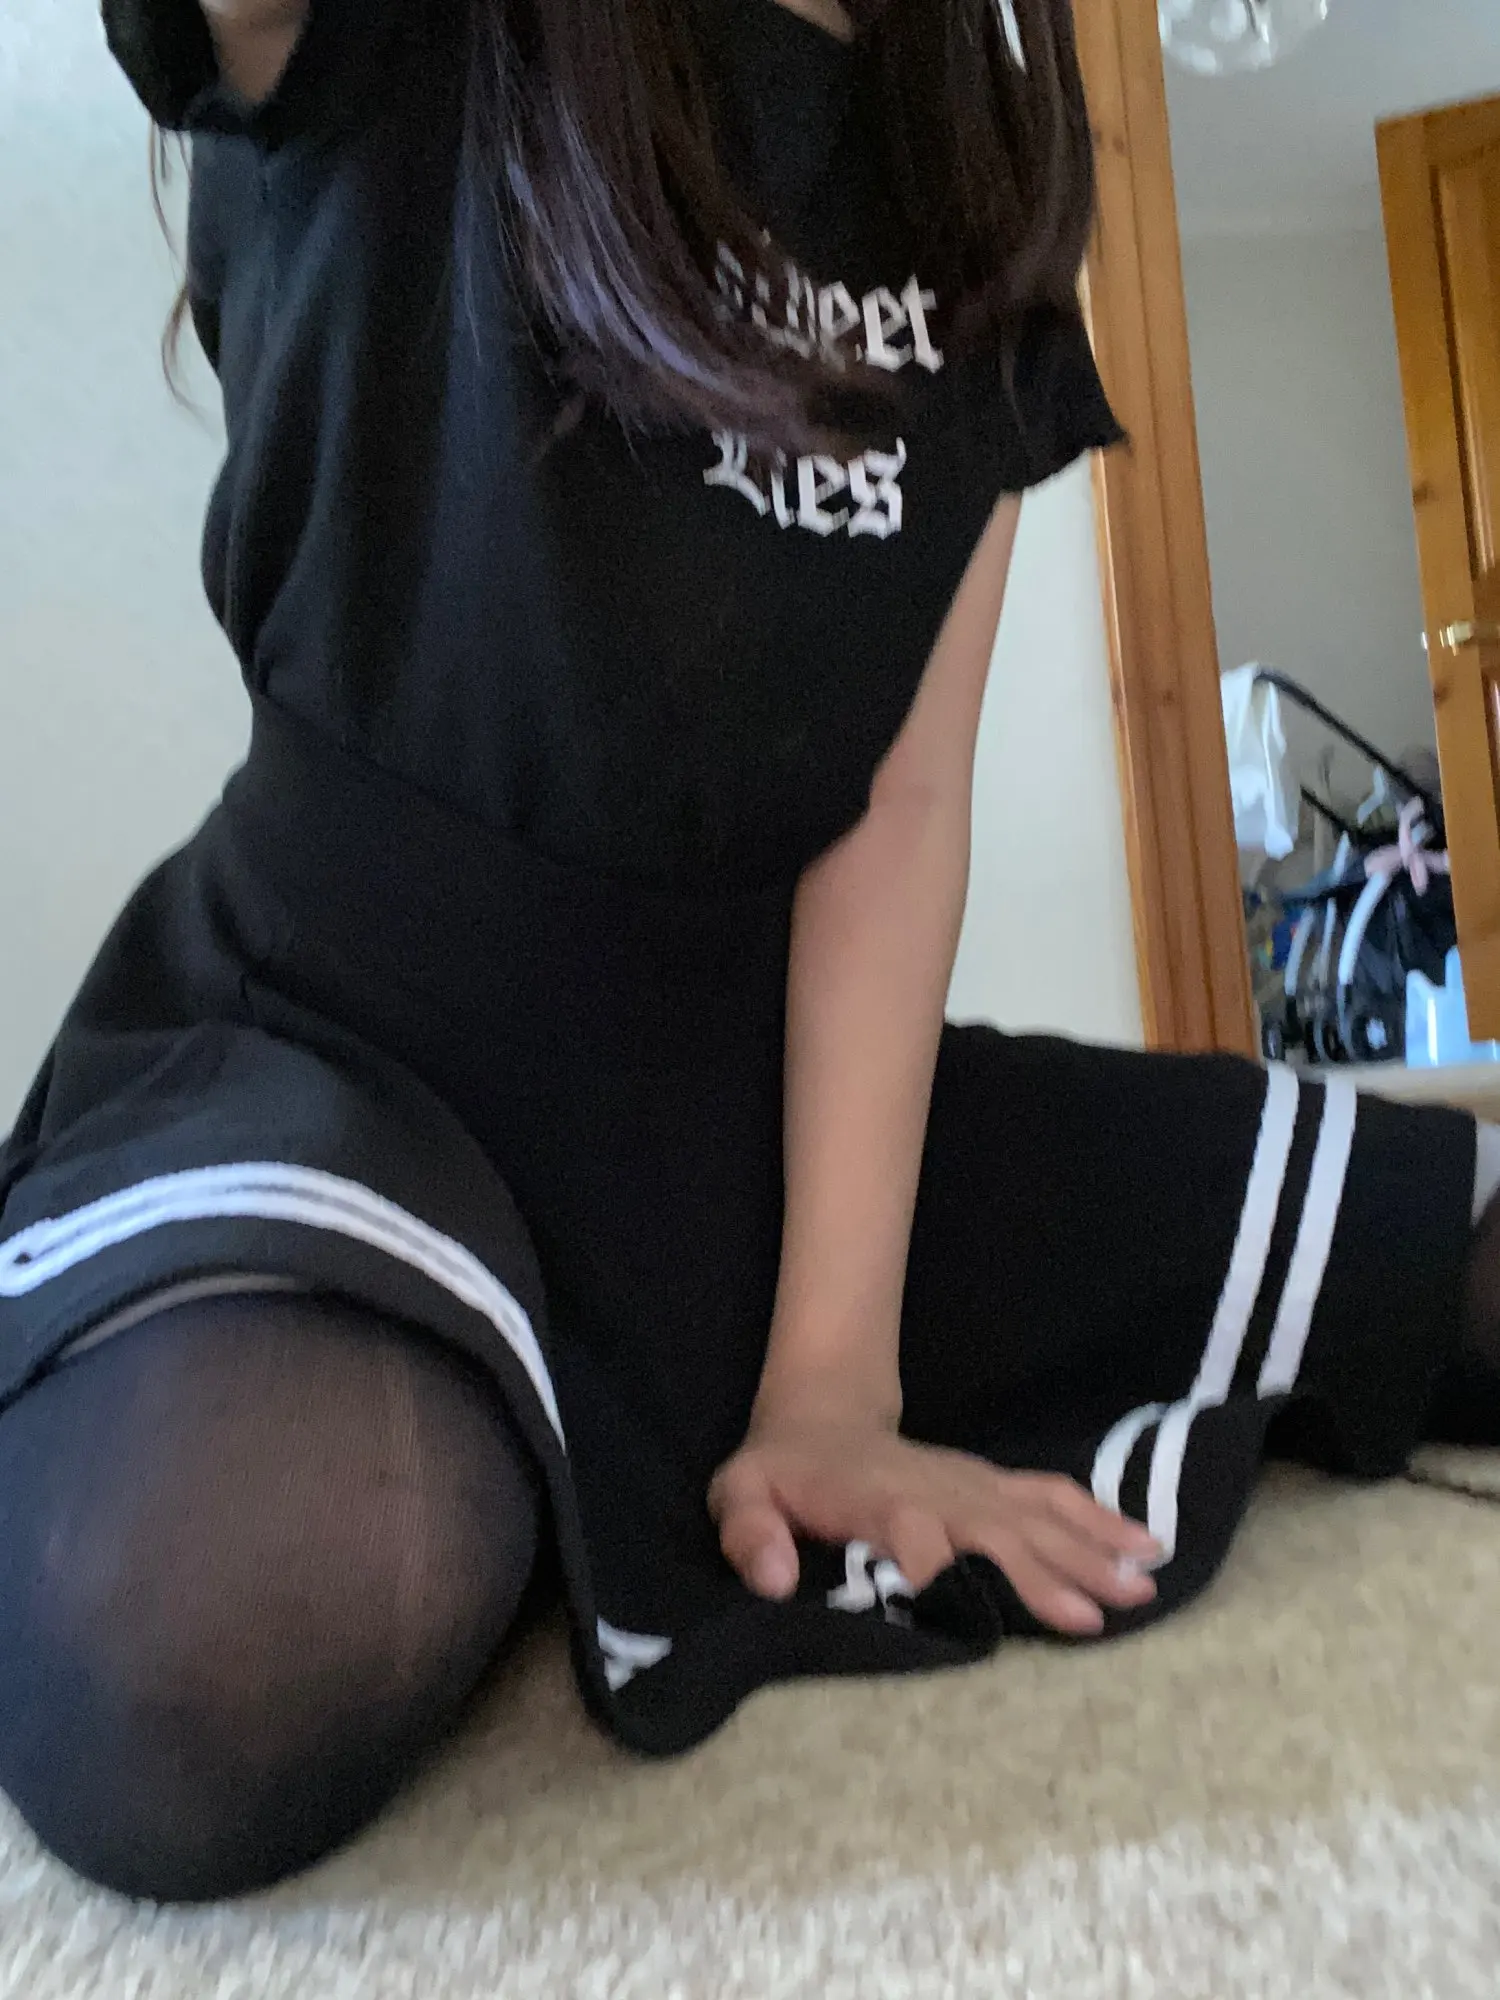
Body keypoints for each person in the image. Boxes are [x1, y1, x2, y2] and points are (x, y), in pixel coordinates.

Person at [1, 0, 1496, 1908]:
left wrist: (835, 1387)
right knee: (192, 1636)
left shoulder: (981, 161)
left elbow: (900, 812)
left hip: (779, 1135)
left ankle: (655, 1420)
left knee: (1458, 1259)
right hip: (333, 1064)